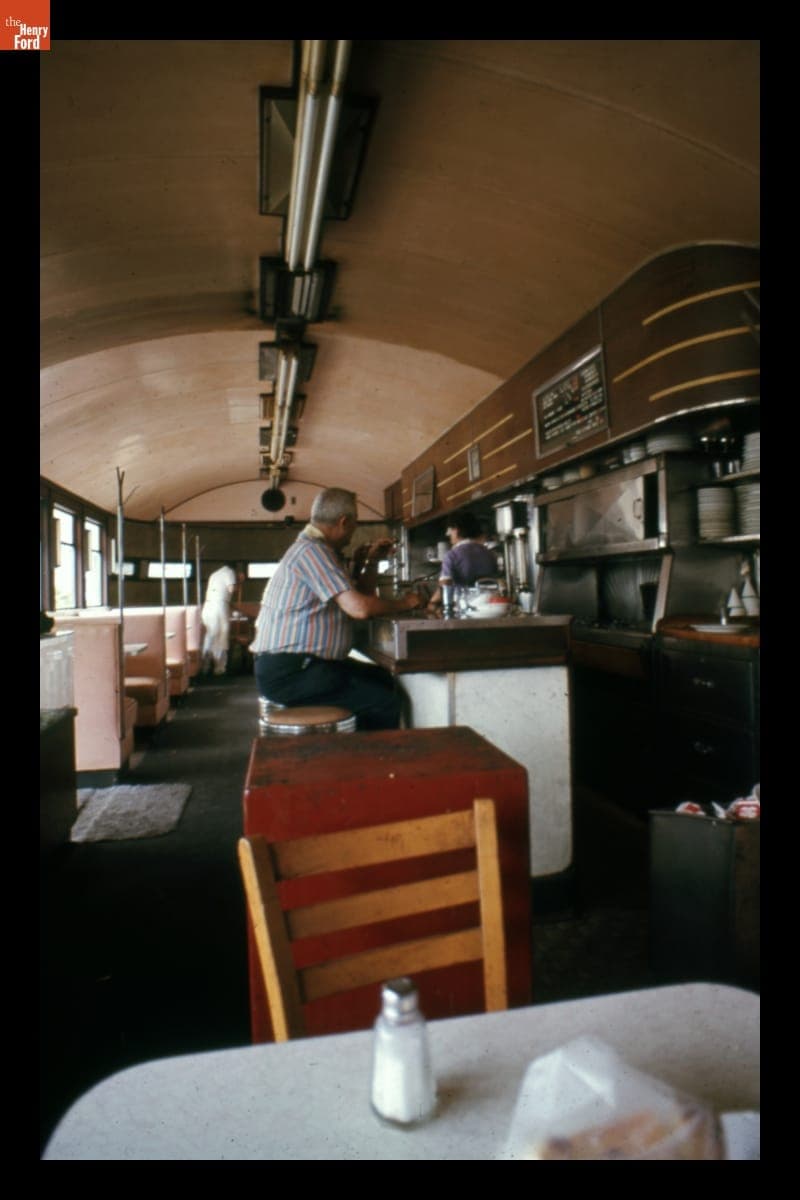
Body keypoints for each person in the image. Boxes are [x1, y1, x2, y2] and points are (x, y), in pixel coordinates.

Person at [250, 488, 424, 730]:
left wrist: (371, 561)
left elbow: (361, 595)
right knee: (383, 702)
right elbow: (360, 608)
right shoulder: (313, 552)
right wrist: (406, 603)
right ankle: (373, 764)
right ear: (344, 521)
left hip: (303, 666)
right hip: (292, 672)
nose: (353, 532)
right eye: (354, 525)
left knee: (383, 679)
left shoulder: (317, 550)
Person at [427, 510, 500, 610]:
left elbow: (445, 585)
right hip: (490, 607)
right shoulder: (490, 554)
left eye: (450, 530)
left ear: (456, 530)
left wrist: (432, 603)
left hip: (464, 609)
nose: (448, 534)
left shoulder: (452, 555)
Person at [201, 562, 239, 675]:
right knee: (221, 636)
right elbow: (231, 589)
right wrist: (239, 582)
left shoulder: (214, 574)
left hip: (207, 607)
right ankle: (219, 668)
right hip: (219, 607)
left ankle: (204, 664)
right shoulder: (229, 572)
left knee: (210, 635)